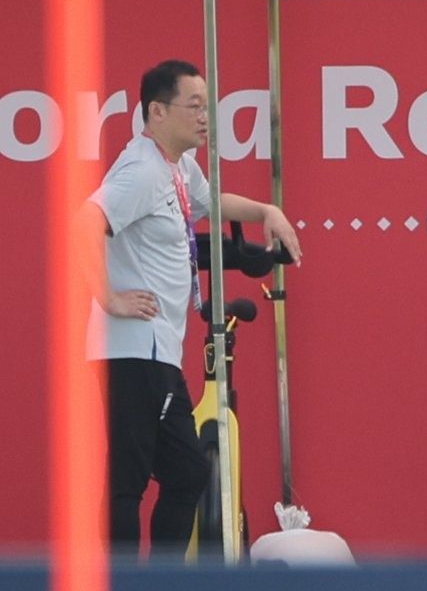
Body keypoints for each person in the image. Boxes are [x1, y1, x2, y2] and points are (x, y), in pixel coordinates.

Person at [76, 59, 302, 560]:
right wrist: (108, 297)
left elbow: (210, 201)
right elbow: (85, 221)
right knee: (129, 479)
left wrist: (266, 211)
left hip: (157, 350)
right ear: (157, 112)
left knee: (188, 471)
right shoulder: (141, 171)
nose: (204, 117)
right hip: (131, 349)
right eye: (193, 106)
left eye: (207, 106)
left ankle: (162, 577)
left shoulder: (177, 166)